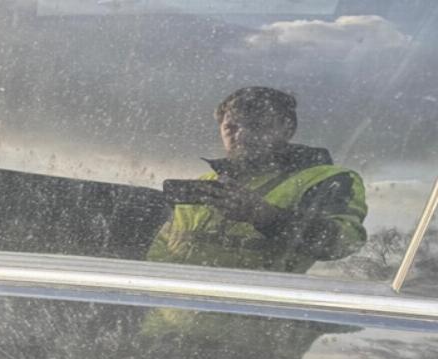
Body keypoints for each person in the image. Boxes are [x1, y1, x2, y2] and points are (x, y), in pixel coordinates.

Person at [148, 86, 367, 273]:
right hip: (172, 305)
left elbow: (343, 243)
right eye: (231, 127)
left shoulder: (327, 179)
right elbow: (160, 249)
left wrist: (265, 216)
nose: (241, 136)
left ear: (288, 129)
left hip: (260, 305)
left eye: (256, 125)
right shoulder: (207, 182)